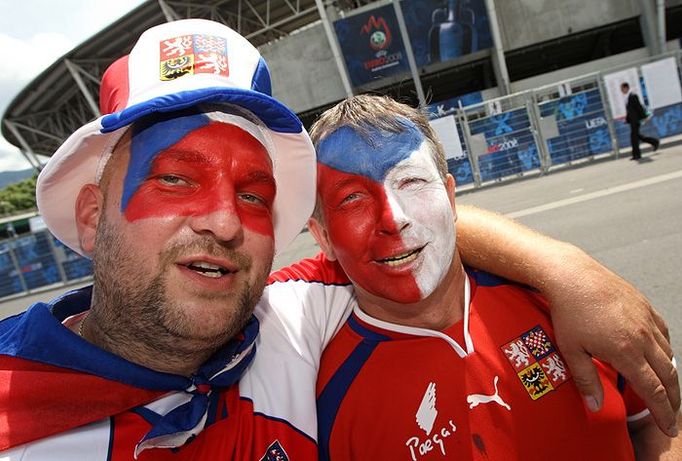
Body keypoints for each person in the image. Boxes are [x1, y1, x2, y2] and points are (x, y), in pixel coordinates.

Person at [0, 19, 677, 460]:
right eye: (176, 177)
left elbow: (403, 235)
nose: (226, 222)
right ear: (91, 217)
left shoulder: (285, 322)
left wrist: (565, 270)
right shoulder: (299, 332)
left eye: (255, 195)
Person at [299, 94, 681, 460]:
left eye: (411, 182)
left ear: (450, 197)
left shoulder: (567, 304)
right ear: (323, 238)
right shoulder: (323, 407)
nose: (394, 218)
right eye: (352, 198)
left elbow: (658, 424)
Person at [621, 82, 659, 160]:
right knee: (636, 136)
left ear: (626, 88)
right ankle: (654, 142)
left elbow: (639, 107)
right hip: (632, 120)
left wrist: (644, 117)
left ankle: (637, 155)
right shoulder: (627, 97)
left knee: (634, 137)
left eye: (622, 88)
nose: (621, 90)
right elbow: (630, 111)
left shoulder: (633, 96)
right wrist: (627, 119)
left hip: (636, 120)